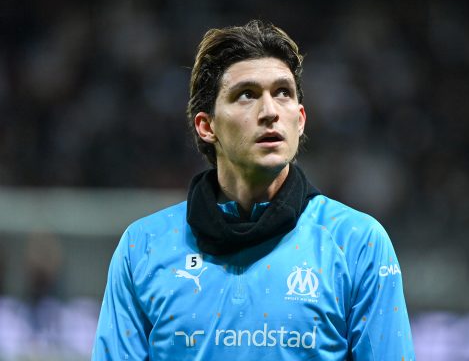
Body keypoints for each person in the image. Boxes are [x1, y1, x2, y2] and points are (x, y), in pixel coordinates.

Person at [92, 20, 415, 360]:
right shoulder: (143, 247)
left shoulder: (356, 242)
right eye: (246, 94)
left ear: (300, 119)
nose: (270, 112)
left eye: (283, 93)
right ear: (206, 126)